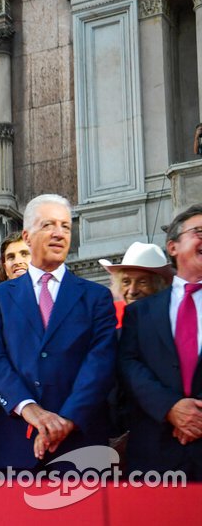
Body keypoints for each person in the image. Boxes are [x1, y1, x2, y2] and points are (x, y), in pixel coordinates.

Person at [0, 194, 117, 470]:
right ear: (27, 237)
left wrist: (65, 421)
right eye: (49, 225)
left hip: (81, 444)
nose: (59, 233)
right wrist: (30, 410)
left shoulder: (96, 297)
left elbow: (100, 364)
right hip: (17, 443)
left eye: (65, 226)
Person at [119, 204, 202, 479]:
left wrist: (196, 417)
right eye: (199, 231)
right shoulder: (139, 313)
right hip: (155, 454)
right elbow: (128, 366)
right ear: (173, 247)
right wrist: (170, 408)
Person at [99, 242, 173, 328]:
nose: (132, 291)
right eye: (126, 282)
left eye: (142, 282)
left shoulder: (174, 318)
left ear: (160, 286)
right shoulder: (109, 318)